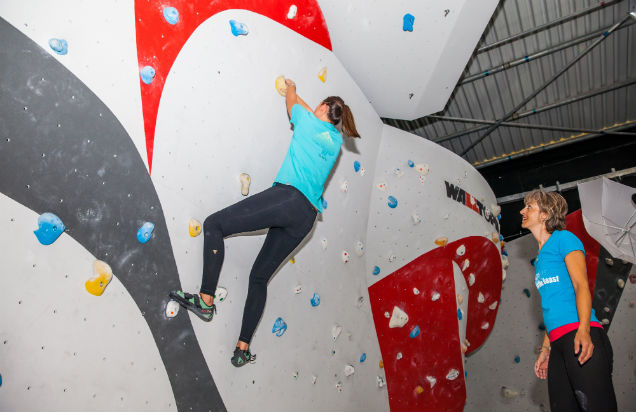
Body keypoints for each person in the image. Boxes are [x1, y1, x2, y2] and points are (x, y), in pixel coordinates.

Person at [170, 79, 360, 367]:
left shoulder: (307, 123)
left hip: (287, 198)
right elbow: (310, 113)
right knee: (259, 277)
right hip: (305, 219)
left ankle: (206, 300)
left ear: (322, 107)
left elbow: (293, 102)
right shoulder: (334, 144)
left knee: (214, 225)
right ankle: (243, 348)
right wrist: (315, 107)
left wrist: (293, 86)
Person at [521, 189, 616, 411]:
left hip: (580, 333)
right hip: (558, 344)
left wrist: (583, 331)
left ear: (545, 214)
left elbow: (581, 285)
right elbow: (551, 306)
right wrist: (545, 348)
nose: (522, 210)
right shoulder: (540, 258)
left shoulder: (564, 239)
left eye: (529, 207)